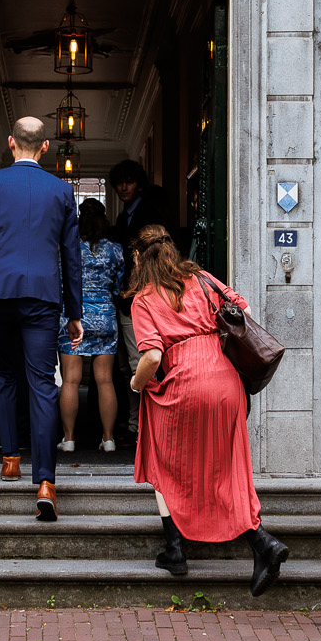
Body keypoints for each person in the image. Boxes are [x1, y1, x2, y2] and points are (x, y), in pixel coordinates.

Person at [125, 224, 290, 595]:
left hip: (185, 382)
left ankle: (175, 548)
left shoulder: (143, 299)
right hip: (227, 381)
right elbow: (242, 310)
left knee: (160, 457)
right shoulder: (200, 278)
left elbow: (152, 356)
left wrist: (136, 384)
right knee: (228, 467)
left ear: (138, 257)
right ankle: (262, 543)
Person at [0, 116, 84, 521]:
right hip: (43, 297)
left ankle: (9, 460)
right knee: (42, 384)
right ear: (45, 147)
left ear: (10, 142)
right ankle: (46, 482)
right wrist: (74, 311)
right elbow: (71, 255)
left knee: (2, 375)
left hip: (0, 293)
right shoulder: (61, 190)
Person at [108, 159, 172, 434]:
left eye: (129, 182)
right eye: (119, 183)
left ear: (140, 185)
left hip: (142, 298)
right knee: (127, 367)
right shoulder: (124, 216)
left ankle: (147, 426)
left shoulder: (149, 214)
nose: (124, 187)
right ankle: (136, 423)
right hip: (126, 298)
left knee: (140, 363)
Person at [61, 198, 123, 454]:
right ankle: (108, 439)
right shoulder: (116, 250)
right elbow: (119, 287)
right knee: (105, 380)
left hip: (74, 316)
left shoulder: (68, 249)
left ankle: (69, 439)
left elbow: (60, 283)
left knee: (70, 380)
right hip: (106, 316)